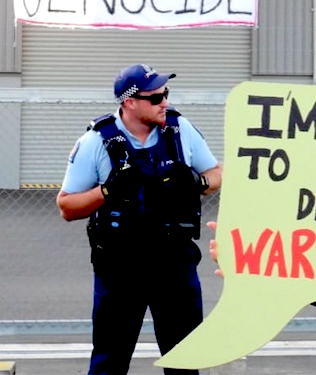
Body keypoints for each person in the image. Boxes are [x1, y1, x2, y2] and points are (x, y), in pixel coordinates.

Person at [56, 63, 222, 375]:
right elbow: (66, 206)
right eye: (156, 97)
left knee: (186, 359)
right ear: (130, 102)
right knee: (110, 361)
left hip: (175, 264)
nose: (165, 102)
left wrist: (197, 183)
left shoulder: (179, 130)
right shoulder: (96, 141)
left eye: (166, 94)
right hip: (120, 268)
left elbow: (216, 173)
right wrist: (107, 191)